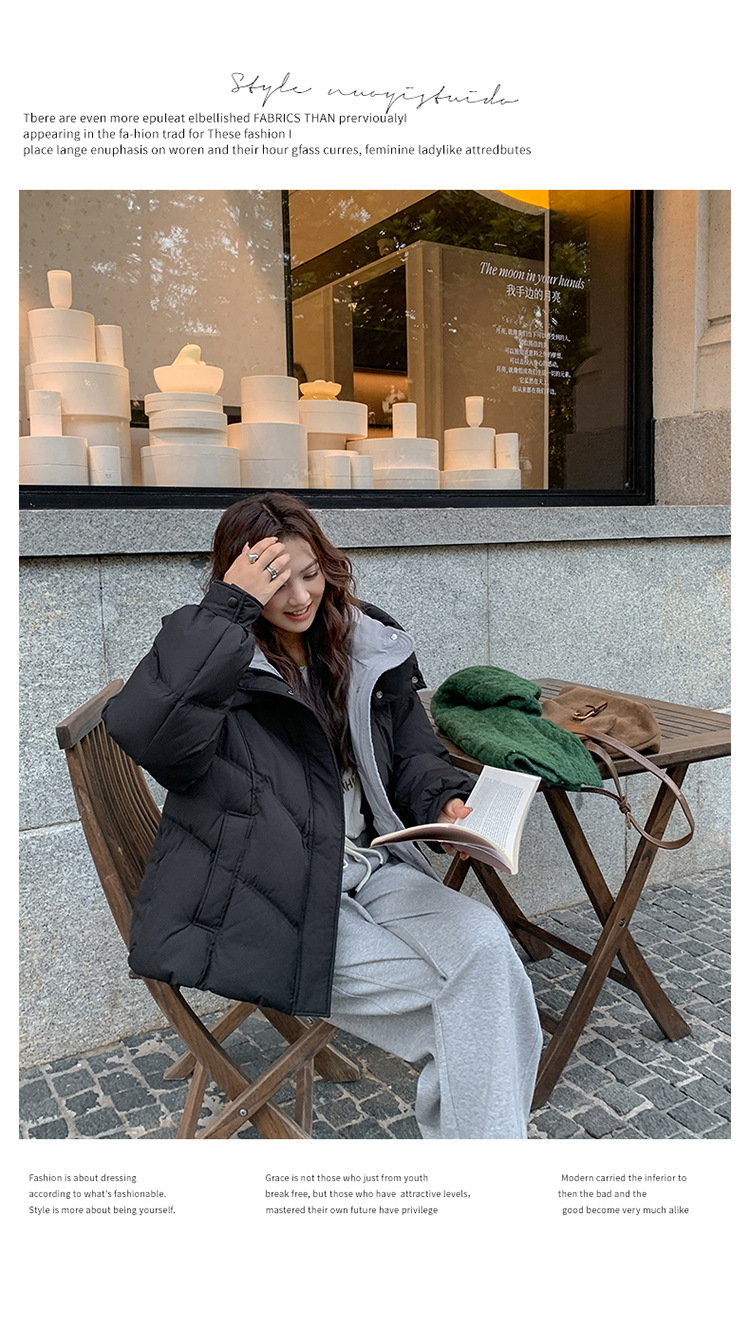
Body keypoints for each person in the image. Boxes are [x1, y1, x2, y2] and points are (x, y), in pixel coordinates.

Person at [104, 492, 543, 1138]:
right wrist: (227, 609)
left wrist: (444, 802)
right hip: (276, 894)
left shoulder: (361, 641)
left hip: (374, 866)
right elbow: (150, 734)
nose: (300, 596)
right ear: (240, 579)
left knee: (488, 949)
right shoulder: (217, 658)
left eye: (310, 573)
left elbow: (412, 752)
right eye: (275, 581)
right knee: (472, 1005)